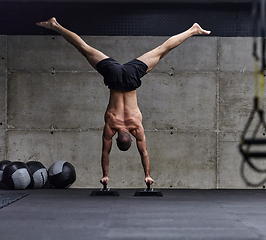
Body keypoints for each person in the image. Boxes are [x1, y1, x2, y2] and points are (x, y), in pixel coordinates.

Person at [36, 17, 211, 186]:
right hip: (113, 77)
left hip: (131, 78)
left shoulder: (136, 127)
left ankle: (192, 30)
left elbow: (144, 153)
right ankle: (55, 25)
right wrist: (105, 175)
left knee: (162, 50)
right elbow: (105, 152)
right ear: (116, 137)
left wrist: (148, 175)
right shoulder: (110, 127)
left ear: (132, 138)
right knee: (83, 48)